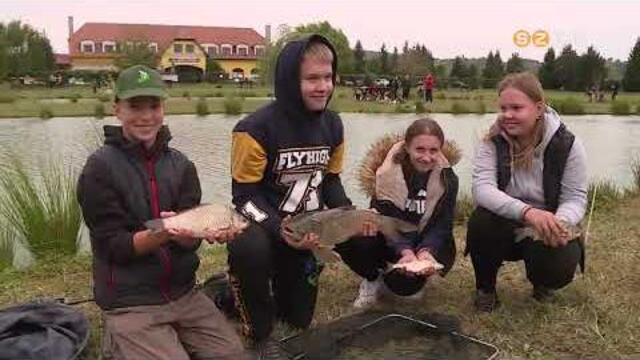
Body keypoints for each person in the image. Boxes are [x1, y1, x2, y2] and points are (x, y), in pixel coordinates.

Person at [77, 65, 247, 360]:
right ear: (117, 109)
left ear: (163, 109)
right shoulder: (99, 169)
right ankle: (119, 340)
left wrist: (203, 232)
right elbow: (113, 247)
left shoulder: (182, 165)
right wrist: (163, 232)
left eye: (153, 106)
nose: (146, 116)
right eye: (135, 106)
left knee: (233, 354)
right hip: (130, 300)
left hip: (183, 292)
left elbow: (189, 241)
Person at [227, 34, 375, 359]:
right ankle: (256, 325)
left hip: (309, 229)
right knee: (247, 246)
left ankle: (250, 288)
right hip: (269, 225)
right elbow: (244, 197)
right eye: (311, 78)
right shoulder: (253, 128)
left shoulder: (334, 124)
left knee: (297, 319)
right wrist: (280, 229)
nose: (322, 86)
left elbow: (331, 181)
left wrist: (348, 214)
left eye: (327, 77)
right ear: (290, 80)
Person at [466, 72, 587, 312]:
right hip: (504, 224)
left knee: (557, 269)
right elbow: (482, 189)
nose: (508, 115)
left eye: (517, 108)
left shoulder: (568, 144)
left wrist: (559, 223)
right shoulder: (491, 140)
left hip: (546, 224)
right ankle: (486, 289)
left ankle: (543, 283)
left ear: (539, 108)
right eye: (503, 108)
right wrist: (528, 212)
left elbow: (575, 198)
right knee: (481, 220)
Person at [344, 118, 459, 308]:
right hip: (393, 240)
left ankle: (417, 274)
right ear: (407, 147)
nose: (427, 157)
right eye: (419, 149)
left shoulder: (448, 179)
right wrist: (404, 251)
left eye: (433, 150)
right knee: (356, 240)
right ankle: (372, 279)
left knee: (406, 289)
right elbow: (386, 224)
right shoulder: (384, 176)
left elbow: (443, 224)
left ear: (440, 150)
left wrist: (426, 251)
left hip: (425, 240)